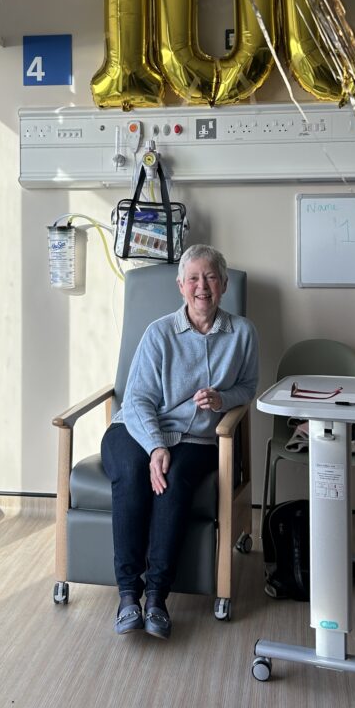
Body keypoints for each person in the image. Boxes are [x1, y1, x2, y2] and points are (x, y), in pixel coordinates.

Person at [100, 244, 259, 639]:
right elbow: (136, 400)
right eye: (193, 279)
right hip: (137, 429)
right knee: (134, 475)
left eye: (210, 278)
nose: (201, 286)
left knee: (172, 485)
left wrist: (223, 399)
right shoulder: (159, 333)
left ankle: (156, 596)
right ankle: (126, 596)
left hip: (196, 439)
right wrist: (155, 447)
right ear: (181, 287)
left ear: (223, 285)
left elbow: (248, 386)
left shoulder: (242, 333)